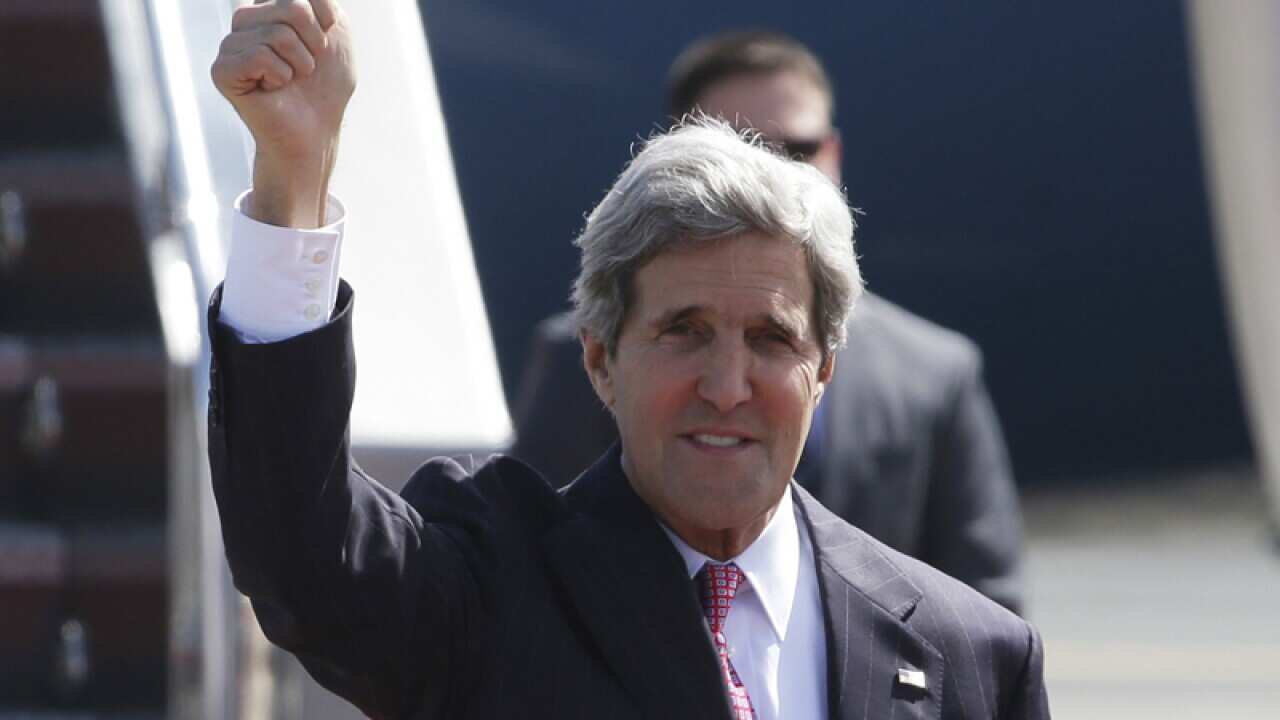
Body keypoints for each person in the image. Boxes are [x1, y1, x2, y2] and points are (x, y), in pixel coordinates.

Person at [207, 2, 1049, 718]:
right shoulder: (492, 594)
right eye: (683, 331)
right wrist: (295, 176)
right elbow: (303, 553)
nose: (726, 388)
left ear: (823, 367)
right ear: (601, 358)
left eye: (771, 340)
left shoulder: (969, 655)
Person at [513, 31, 1026, 613]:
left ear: (833, 153)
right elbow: (524, 563)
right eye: (741, 147)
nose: (770, 174)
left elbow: (982, 611)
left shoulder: (935, 372)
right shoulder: (575, 355)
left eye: (796, 149)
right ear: (601, 359)